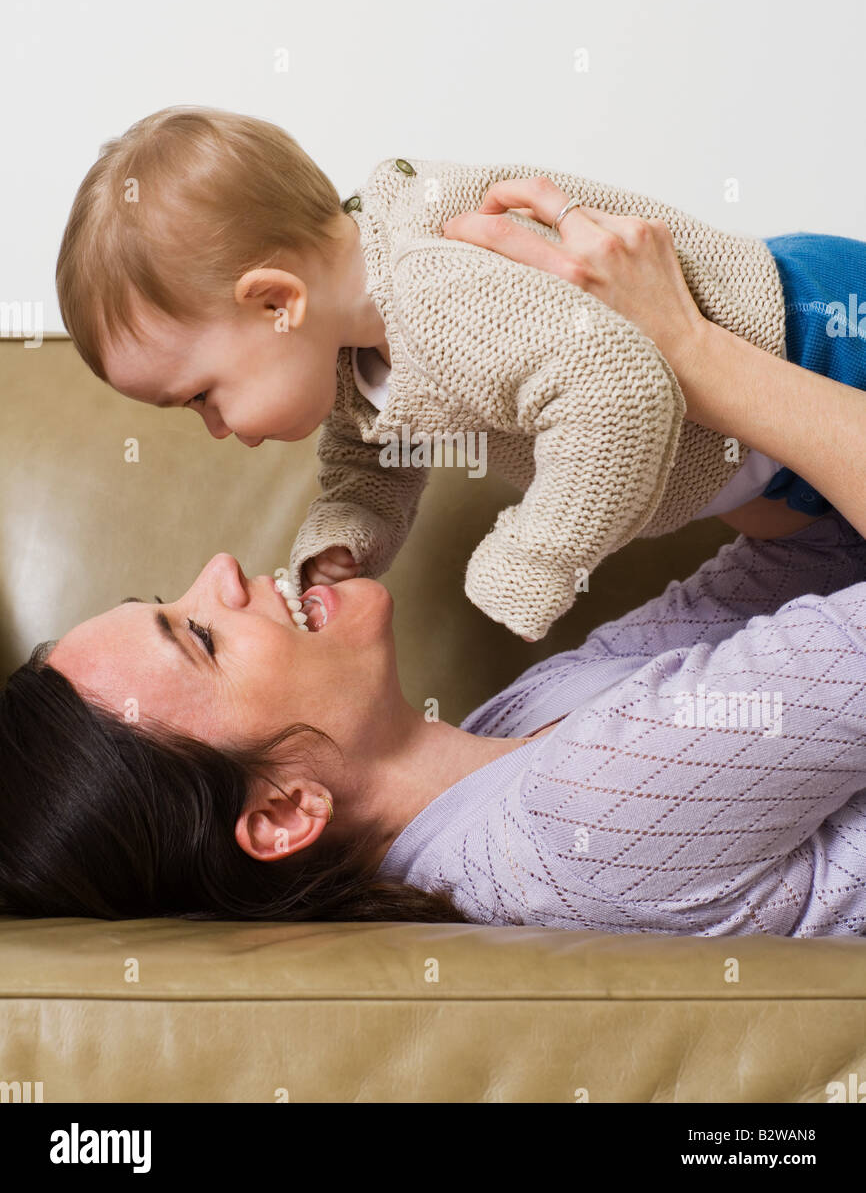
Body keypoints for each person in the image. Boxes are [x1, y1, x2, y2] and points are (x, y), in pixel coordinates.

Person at [5, 200, 866, 934]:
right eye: (200, 637)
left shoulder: (509, 728)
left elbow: (814, 554)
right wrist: (689, 350)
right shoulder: (576, 815)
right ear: (282, 812)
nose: (222, 569)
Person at [54, 105, 866, 640]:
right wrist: (342, 543)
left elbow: (619, 392)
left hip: (820, 340)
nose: (219, 429)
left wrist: (537, 557)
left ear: (275, 304)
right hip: (787, 460)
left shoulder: (431, 292)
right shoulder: (351, 357)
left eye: (202, 396)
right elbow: (368, 470)